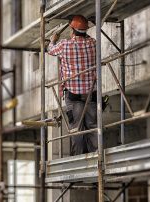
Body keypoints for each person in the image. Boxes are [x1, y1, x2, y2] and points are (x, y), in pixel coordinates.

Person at [47, 15, 98, 156]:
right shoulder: (94, 43)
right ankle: (96, 155)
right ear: (86, 29)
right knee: (93, 126)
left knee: (77, 128)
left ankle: (78, 157)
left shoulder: (65, 45)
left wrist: (53, 40)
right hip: (91, 93)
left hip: (73, 94)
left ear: (72, 29)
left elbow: (50, 50)